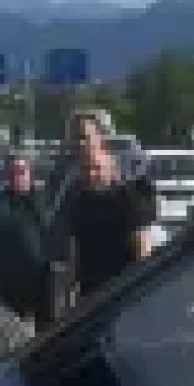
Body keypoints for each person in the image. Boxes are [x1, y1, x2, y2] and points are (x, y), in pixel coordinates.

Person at [57, 116, 157, 304]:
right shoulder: (77, 199)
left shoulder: (127, 199)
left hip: (123, 293)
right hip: (90, 296)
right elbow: (74, 249)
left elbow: (143, 250)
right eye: (86, 169)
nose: (90, 174)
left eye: (96, 168)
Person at [0, 149, 48, 320]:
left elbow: (60, 236)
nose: (17, 177)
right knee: (14, 339)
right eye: (12, 173)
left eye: (21, 172)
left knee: (49, 337)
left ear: (30, 173)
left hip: (44, 285)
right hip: (10, 286)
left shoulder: (44, 199)